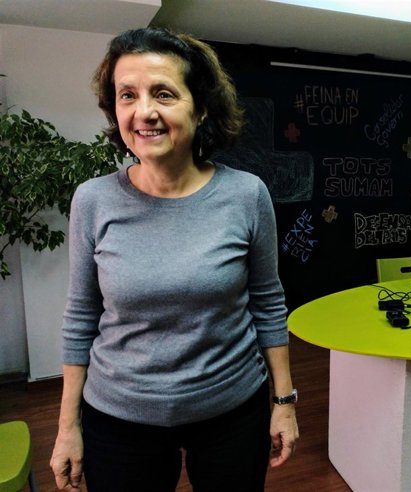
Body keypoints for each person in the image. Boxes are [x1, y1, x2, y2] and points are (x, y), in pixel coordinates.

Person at [49, 27, 298, 492]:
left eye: (163, 93)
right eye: (127, 95)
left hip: (231, 410)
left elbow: (268, 302)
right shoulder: (93, 200)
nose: (144, 112)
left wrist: (284, 402)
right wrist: (68, 426)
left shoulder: (247, 195)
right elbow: (81, 315)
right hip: (120, 418)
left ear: (200, 108)